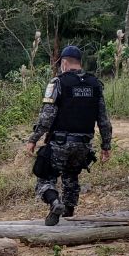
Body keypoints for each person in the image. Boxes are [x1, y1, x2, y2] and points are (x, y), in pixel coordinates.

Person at [23, 45, 114, 226]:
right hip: (83, 145)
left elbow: (47, 117)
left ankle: (55, 203)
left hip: (60, 142)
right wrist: (106, 145)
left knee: (45, 178)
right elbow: (103, 120)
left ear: (64, 63)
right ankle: (69, 215)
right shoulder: (95, 84)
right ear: (79, 63)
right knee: (71, 177)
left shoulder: (57, 83)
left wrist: (33, 139)